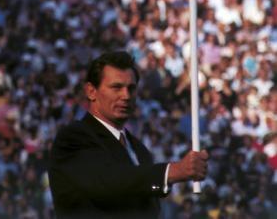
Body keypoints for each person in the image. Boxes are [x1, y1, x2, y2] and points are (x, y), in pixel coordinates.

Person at [48, 51, 208, 218]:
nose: (126, 96)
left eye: (131, 88)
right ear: (91, 91)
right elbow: (107, 183)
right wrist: (171, 172)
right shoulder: (73, 138)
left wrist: (163, 180)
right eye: (116, 87)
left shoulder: (139, 150)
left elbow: (144, 195)